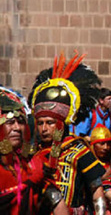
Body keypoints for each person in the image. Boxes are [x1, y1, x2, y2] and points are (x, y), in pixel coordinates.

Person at [30, 55, 107, 214]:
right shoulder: (32, 153)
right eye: (40, 123)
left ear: (61, 124)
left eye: (50, 123)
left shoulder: (79, 151)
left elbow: (97, 191)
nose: (44, 128)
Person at [0, 86, 69, 215]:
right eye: (9, 122)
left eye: (20, 122)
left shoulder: (34, 165)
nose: (17, 128)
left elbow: (57, 202)